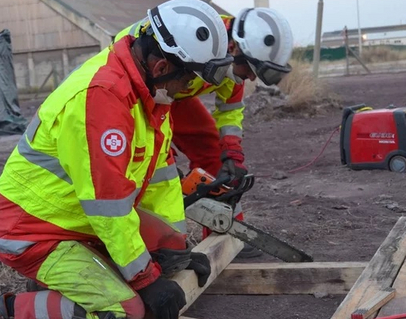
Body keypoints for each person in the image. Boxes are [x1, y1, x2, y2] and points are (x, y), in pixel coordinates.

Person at [0, 1, 232, 319]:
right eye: (187, 79)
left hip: (77, 217)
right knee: (126, 314)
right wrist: (147, 280)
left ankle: (74, 284)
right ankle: (5, 314)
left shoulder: (152, 93)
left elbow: (160, 177)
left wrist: (176, 253)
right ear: (161, 65)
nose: (188, 89)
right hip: (33, 229)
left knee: (168, 251)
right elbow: (108, 206)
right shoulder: (102, 100)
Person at [117, 7, 294, 257]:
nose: (252, 77)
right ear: (234, 48)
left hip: (177, 92)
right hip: (142, 89)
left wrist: (232, 152)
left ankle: (229, 230)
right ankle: (156, 244)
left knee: (212, 153)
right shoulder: (192, 33)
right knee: (153, 167)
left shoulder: (233, 70)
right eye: (252, 69)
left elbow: (230, 110)